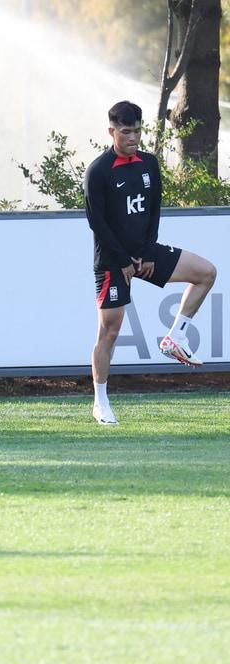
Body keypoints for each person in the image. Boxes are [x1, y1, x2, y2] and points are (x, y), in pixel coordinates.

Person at [83, 100, 217, 425]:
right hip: (112, 261)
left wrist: (146, 252)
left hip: (144, 253)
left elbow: (153, 211)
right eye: (126, 131)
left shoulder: (148, 163)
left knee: (206, 273)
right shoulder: (98, 170)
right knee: (110, 331)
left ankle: (176, 338)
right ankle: (100, 402)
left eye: (138, 130)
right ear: (111, 131)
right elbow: (96, 223)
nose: (133, 137)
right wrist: (124, 261)